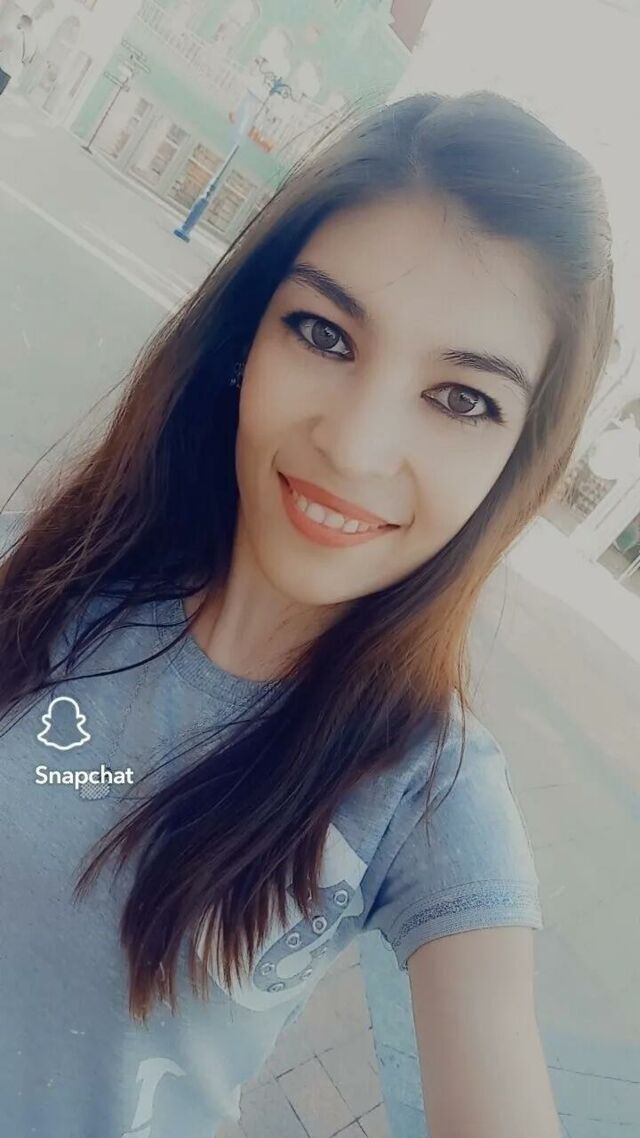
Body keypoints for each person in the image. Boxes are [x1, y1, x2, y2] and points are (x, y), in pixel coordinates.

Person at [0, 89, 614, 1138]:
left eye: (461, 399)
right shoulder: (60, 567)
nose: (355, 446)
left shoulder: (424, 790)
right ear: (247, 336)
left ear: (515, 462)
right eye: (324, 333)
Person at [0, 13, 35, 97]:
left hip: (2, 66)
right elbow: (26, 63)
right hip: (10, 73)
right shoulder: (32, 44)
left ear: (22, 22)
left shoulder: (14, 33)